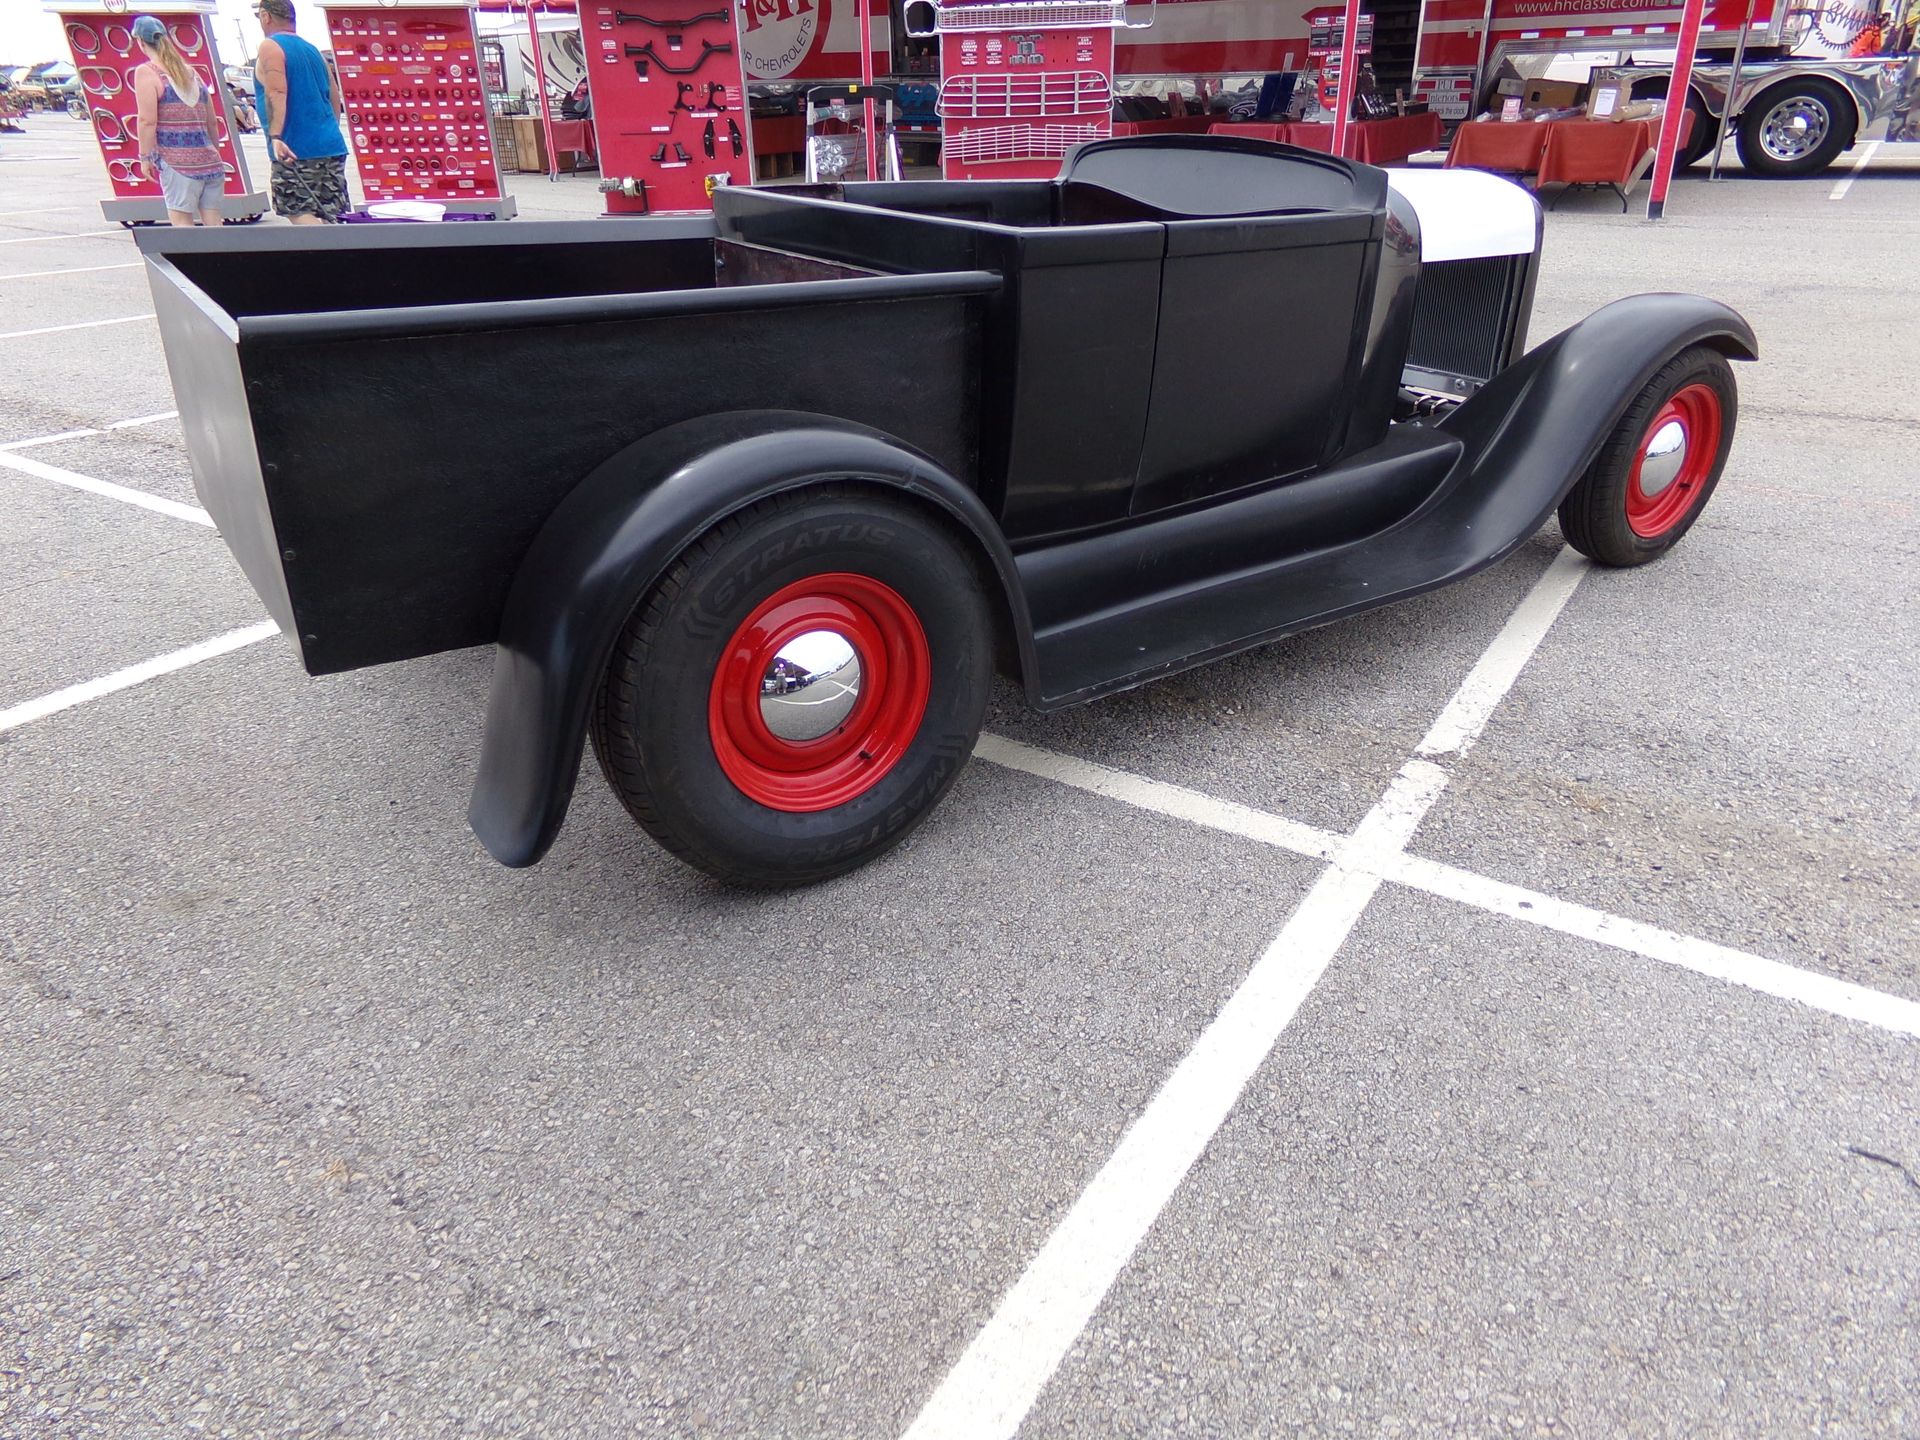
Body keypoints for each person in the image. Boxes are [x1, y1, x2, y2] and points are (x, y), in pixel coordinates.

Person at [252, 0, 348, 223]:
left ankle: (322, 256)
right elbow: (333, 97)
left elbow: (276, 91)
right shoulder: (314, 51)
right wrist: (326, 131)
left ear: (266, 16)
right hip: (330, 144)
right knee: (329, 213)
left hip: (294, 148)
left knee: (298, 210)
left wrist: (275, 136)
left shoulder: (270, 46)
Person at [130, 14, 226, 228]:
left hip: (178, 163)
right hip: (209, 161)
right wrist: (213, 150)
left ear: (141, 42)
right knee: (214, 224)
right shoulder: (192, 73)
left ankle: (192, 263)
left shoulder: (147, 72)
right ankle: (224, 260)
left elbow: (147, 120)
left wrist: (145, 158)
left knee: (182, 223)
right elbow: (212, 121)